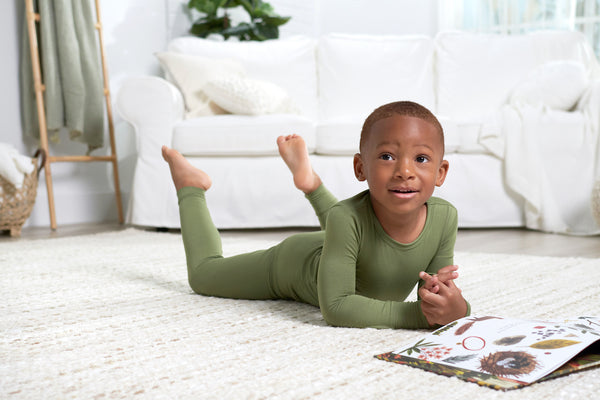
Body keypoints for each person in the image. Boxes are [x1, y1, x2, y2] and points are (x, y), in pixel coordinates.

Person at [162, 101, 470, 329]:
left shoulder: (444, 218)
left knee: (349, 224)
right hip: (292, 266)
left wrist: (457, 306)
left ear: (440, 172)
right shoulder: (345, 219)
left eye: (421, 158)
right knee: (203, 276)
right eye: (387, 156)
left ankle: (311, 184)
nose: (404, 171)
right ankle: (191, 186)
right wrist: (418, 315)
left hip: (343, 238)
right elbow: (336, 307)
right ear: (360, 168)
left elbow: (433, 293)